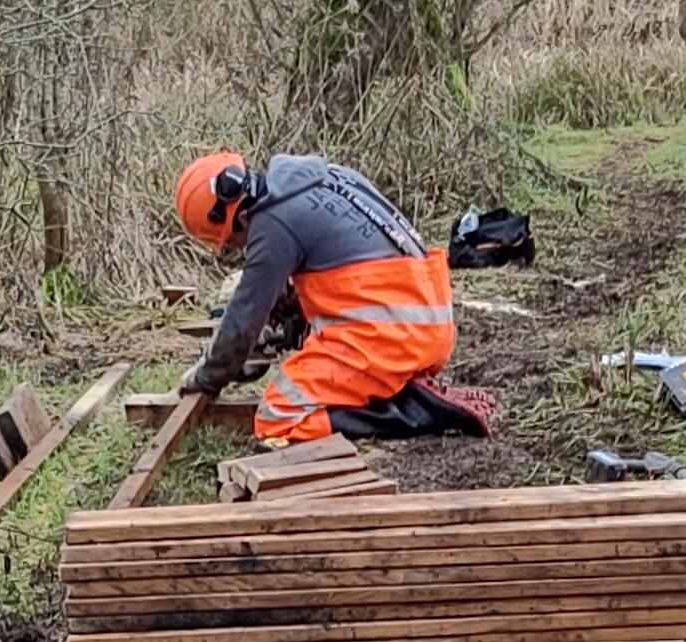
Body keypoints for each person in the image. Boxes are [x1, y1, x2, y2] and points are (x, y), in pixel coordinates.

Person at [173, 149, 477, 444]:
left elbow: (242, 322)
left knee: (279, 414)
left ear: (232, 219)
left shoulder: (272, 227)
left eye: (233, 242)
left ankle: (417, 411)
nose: (240, 246)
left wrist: (206, 377)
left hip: (394, 336)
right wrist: (281, 323)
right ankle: (390, 384)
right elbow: (336, 265)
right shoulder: (322, 179)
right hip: (425, 322)